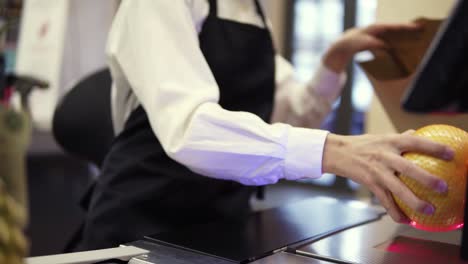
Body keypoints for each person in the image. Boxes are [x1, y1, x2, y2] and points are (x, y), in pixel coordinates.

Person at [76, 0, 454, 250]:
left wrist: (336, 58)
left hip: (220, 225)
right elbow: (189, 128)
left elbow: (290, 114)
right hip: (140, 222)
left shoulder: (255, 11)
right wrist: (333, 152)